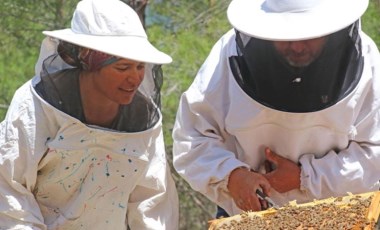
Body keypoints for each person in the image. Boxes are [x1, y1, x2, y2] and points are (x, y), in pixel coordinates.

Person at [172, 0, 380, 218]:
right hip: (246, 215)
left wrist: (307, 177)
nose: (298, 47)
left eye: (309, 35)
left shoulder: (366, 61)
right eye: (286, 36)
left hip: (334, 215)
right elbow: (191, 137)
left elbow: (374, 155)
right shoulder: (228, 55)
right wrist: (231, 175)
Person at [0, 0, 179, 229]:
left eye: (140, 67)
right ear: (88, 58)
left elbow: (151, 198)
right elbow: (10, 190)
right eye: (123, 68)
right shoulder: (35, 108)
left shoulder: (142, 118)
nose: (135, 79)